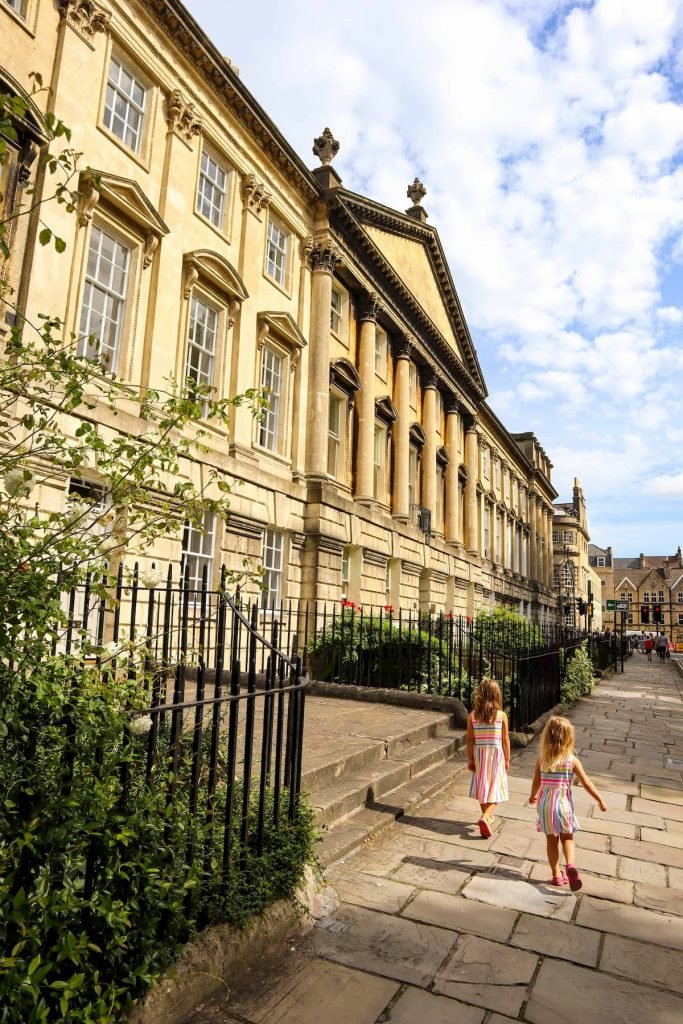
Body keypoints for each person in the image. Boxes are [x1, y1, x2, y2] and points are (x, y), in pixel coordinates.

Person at [529, 716, 606, 890]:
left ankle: (556, 875)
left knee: (551, 841)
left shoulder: (542, 759)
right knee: (567, 838)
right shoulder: (572, 761)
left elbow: (536, 780)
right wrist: (599, 799)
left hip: (545, 806)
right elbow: (587, 783)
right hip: (563, 806)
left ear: (546, 736)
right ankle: (570, 865)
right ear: (569, 738)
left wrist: (533, 795)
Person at [467, 677, 510, 838]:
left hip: (479, 756)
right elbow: (505, 739)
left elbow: (470, 739)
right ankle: (486, 816)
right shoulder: (501, 716)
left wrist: (470, 759)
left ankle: (486, 817)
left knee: (483, 787)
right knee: (497, 789)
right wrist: (507, 759)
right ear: (497, 695)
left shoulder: (472, 716)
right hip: (496, 756)